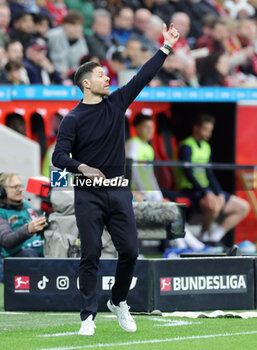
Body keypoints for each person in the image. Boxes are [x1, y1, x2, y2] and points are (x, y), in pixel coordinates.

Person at [52, 22, 179, 336]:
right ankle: (87, 317)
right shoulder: (72, 119)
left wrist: (165, 46)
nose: (107, 77)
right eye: (100, 75)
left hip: (119, 193)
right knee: (90, 253)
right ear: (85, 83)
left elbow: (143, 76)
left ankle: (118, 301)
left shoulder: (117, 103)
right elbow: (58, 157)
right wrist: (82, 168)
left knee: (131, 252)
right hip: (87, 194)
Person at [175, 113, 250, 244]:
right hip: (190, 190)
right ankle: (203, 237)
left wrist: (219, 193)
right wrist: (207, 193)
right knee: (213, 206)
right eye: (206, 129)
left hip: (206, 190)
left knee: (243, 207)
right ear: (196, 128)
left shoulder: (206, 146)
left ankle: (213, 238)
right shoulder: (186, 146)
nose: (208, 134)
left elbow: (209, 174)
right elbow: (189, 173)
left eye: (210, 130)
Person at [0, 172, 45, 258]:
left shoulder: (26, 206)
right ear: (2, 191)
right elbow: (6, 240)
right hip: (16, 257)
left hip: (37, 249)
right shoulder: (1, 212)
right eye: (16, 187)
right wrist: (28, 229)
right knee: (29, 255)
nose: (20, 190)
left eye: (21, 186)